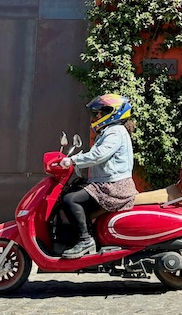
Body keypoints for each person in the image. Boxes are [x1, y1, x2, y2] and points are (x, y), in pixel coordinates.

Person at [58, 93, 138, 259]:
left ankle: (85, 241)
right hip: (107, 183)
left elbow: (98, 155)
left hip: (113, 186)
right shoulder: (110, 131)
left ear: (113, 112)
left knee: (70, 199)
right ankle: (79, 236)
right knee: (70, 193)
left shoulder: (115, 132)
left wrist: (72, 160)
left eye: (101, 112)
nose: (98, 115)